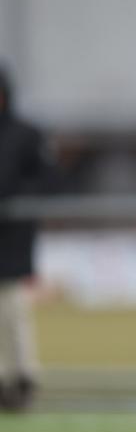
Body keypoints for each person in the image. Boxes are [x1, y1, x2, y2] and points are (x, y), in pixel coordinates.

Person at [0, 63, 57, 412]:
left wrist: (14, 198)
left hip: (14, 237)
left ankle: (22, 377)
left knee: (13, 307)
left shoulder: (27, 135)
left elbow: (48, 179)